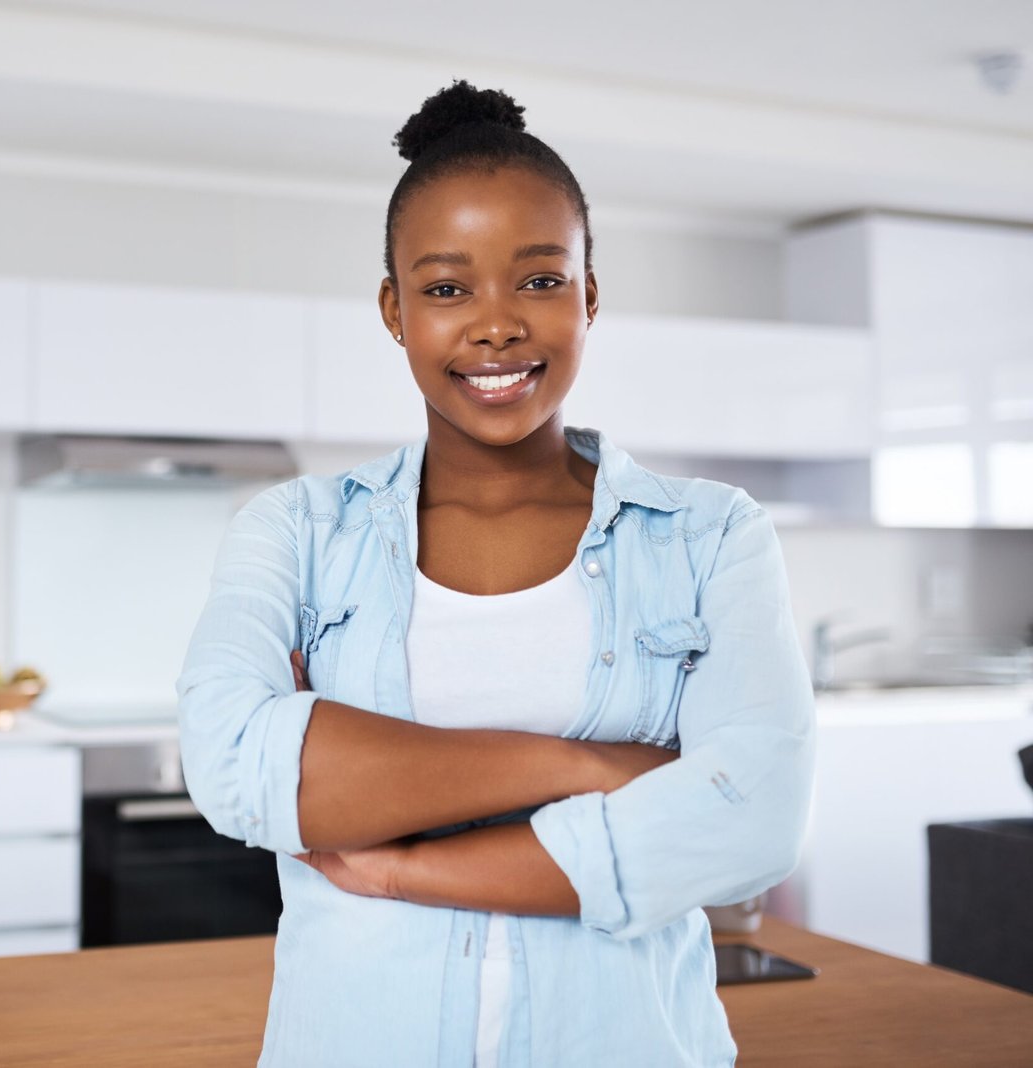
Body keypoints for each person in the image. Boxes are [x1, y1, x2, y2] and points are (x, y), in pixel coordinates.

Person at [176, 79, 815, 1067]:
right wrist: (590, 767)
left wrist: (397, 869)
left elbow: (755, 823)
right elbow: (230, 766)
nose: (494, 326)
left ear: (587, 294)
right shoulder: (294, 531)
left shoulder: (710, 536)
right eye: (444, 288)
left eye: (538, 279)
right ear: (394, 311)